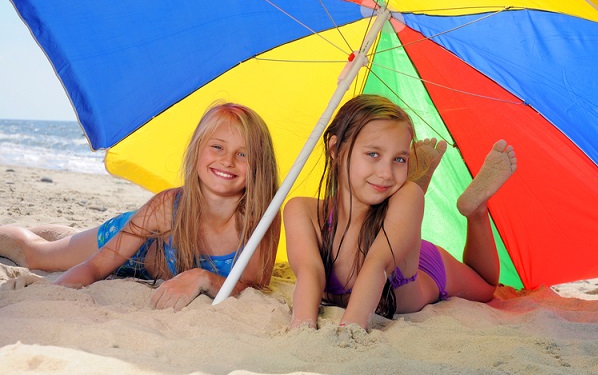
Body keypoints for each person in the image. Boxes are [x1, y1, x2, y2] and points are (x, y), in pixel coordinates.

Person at [0, 102, 281, 311]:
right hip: (128, 239)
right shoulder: (167, 207)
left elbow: (251, 285)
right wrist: (48, 296)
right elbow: (96, 268)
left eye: (243, 154)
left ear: (260, 165)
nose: (228, 160)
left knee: (68, 240)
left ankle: (68, 235)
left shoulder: (262, 218)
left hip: (145, 266)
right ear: (197, 151)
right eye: (217, 147)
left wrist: (202, 277)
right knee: (37, 254)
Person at [284, 94, 517, 330]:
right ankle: (412, 193)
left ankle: (475, 211)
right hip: (396, 232)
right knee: (406, 198)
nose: (386, 172)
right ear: (335, 149)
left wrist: (349, 329)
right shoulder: (301, 211)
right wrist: (302, 326)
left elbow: (378, 264)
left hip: (410, 263)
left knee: (486, 286)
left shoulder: (405, 201)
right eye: (373, 154)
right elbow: (309, 271)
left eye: (399, 159)